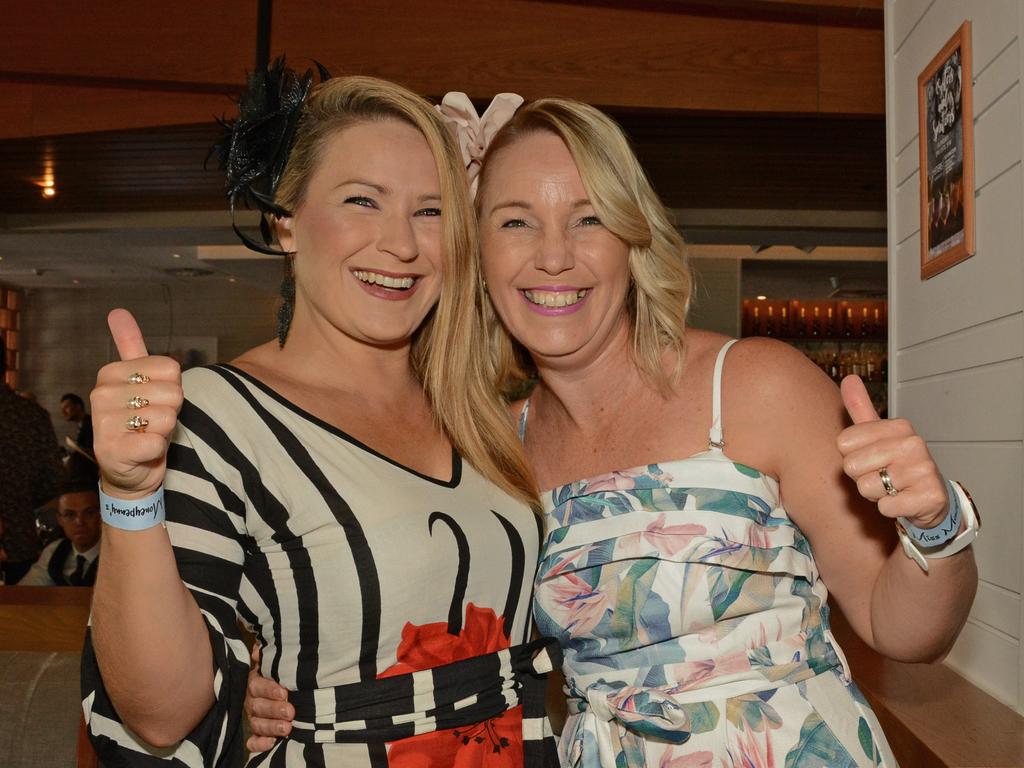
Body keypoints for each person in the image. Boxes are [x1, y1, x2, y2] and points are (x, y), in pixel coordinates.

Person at [245, 95, 980, 767]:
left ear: (633, 237)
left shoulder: (756, 386)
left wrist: (935, 526)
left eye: (588, 217)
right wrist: (269, 685)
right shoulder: (494, 448)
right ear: (479, 255)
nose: (554, 255)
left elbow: (904, 630)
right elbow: (410, 612)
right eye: (515, 221)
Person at [82, 67, 557, 768]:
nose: (401, 244)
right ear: (285, 222)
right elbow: (160, 715)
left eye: (430, 211)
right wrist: (128, 494)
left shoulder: (475, 409)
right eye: (362, 201)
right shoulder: (218, 414)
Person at [0, 347, 62, 584]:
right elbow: (53, 480)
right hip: (20, 540)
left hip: (18, 538)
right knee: (19, 618)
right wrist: (20, 501)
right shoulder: (32, 415)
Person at [19, 477, 101, 586]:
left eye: (89, 513)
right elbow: (24, 593)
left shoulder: (119, 555)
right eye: (70, 515)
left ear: (101, 516)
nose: (79, 522)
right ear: (60, 520)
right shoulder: (54, 551)